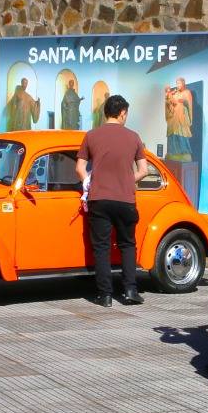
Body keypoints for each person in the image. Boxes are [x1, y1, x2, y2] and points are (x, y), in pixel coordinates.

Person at [76, 94, 147, 307]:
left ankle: (105, 295)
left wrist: (89, 181)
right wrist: (126, 180)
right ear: (122, 113)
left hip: (99, 198)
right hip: (125, 200)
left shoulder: (91, 135)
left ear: (105, 112)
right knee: (127, 244)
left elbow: (80, 167)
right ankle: (130, 290)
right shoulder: (134, 137)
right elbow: (143, 170)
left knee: (101, 247)